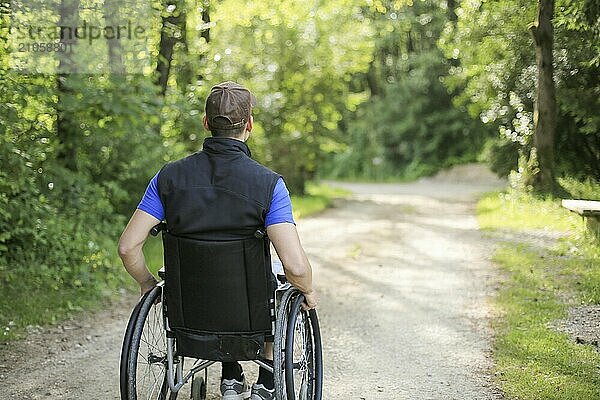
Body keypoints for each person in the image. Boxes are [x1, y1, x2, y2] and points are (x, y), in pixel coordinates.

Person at [117, 81, 318, 400]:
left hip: (190, 313)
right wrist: (306, 289)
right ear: (249, 125)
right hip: (250, 313)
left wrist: (146, 283)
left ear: (206, 123)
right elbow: (295, 265)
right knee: (278, 278)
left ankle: (230, 373)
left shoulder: (167, 178)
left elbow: (128, 247)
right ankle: (266, 380)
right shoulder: (269, 186)